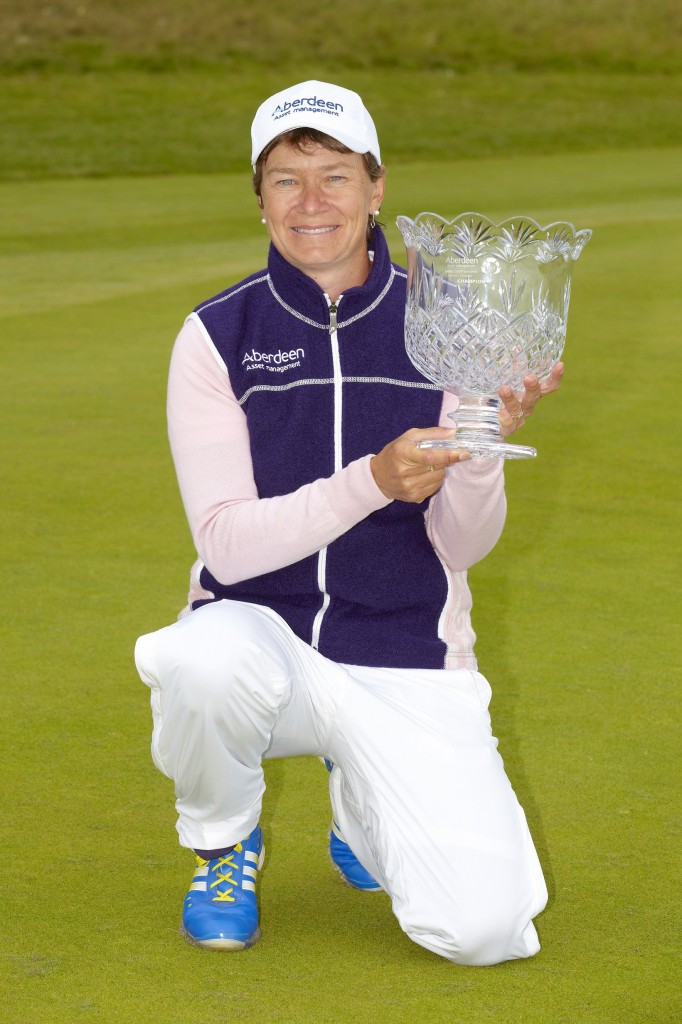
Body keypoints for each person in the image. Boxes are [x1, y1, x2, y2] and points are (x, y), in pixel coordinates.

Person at [135, 80, 562, 966]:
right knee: (196, 662)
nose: (313, 202)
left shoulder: (447, 325)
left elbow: (464, 546)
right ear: (259, 198)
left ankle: (361, 803)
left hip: (407, 651)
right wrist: (372, 480)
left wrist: (478, 448)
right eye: (286, 180)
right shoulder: (218, 335)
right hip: (264, 647)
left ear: (377, 186)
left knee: (483, 933)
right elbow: (226, 544)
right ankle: (224, 843)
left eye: (334, 174)